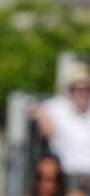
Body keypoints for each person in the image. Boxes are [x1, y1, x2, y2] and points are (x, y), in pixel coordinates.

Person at [32, 62, 90, 192]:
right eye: (78, 89)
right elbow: (31, 106)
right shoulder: (58, 107)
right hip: (65, 176)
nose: (82, 93)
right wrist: (42, 118)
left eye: (86, 89)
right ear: (71, 90)